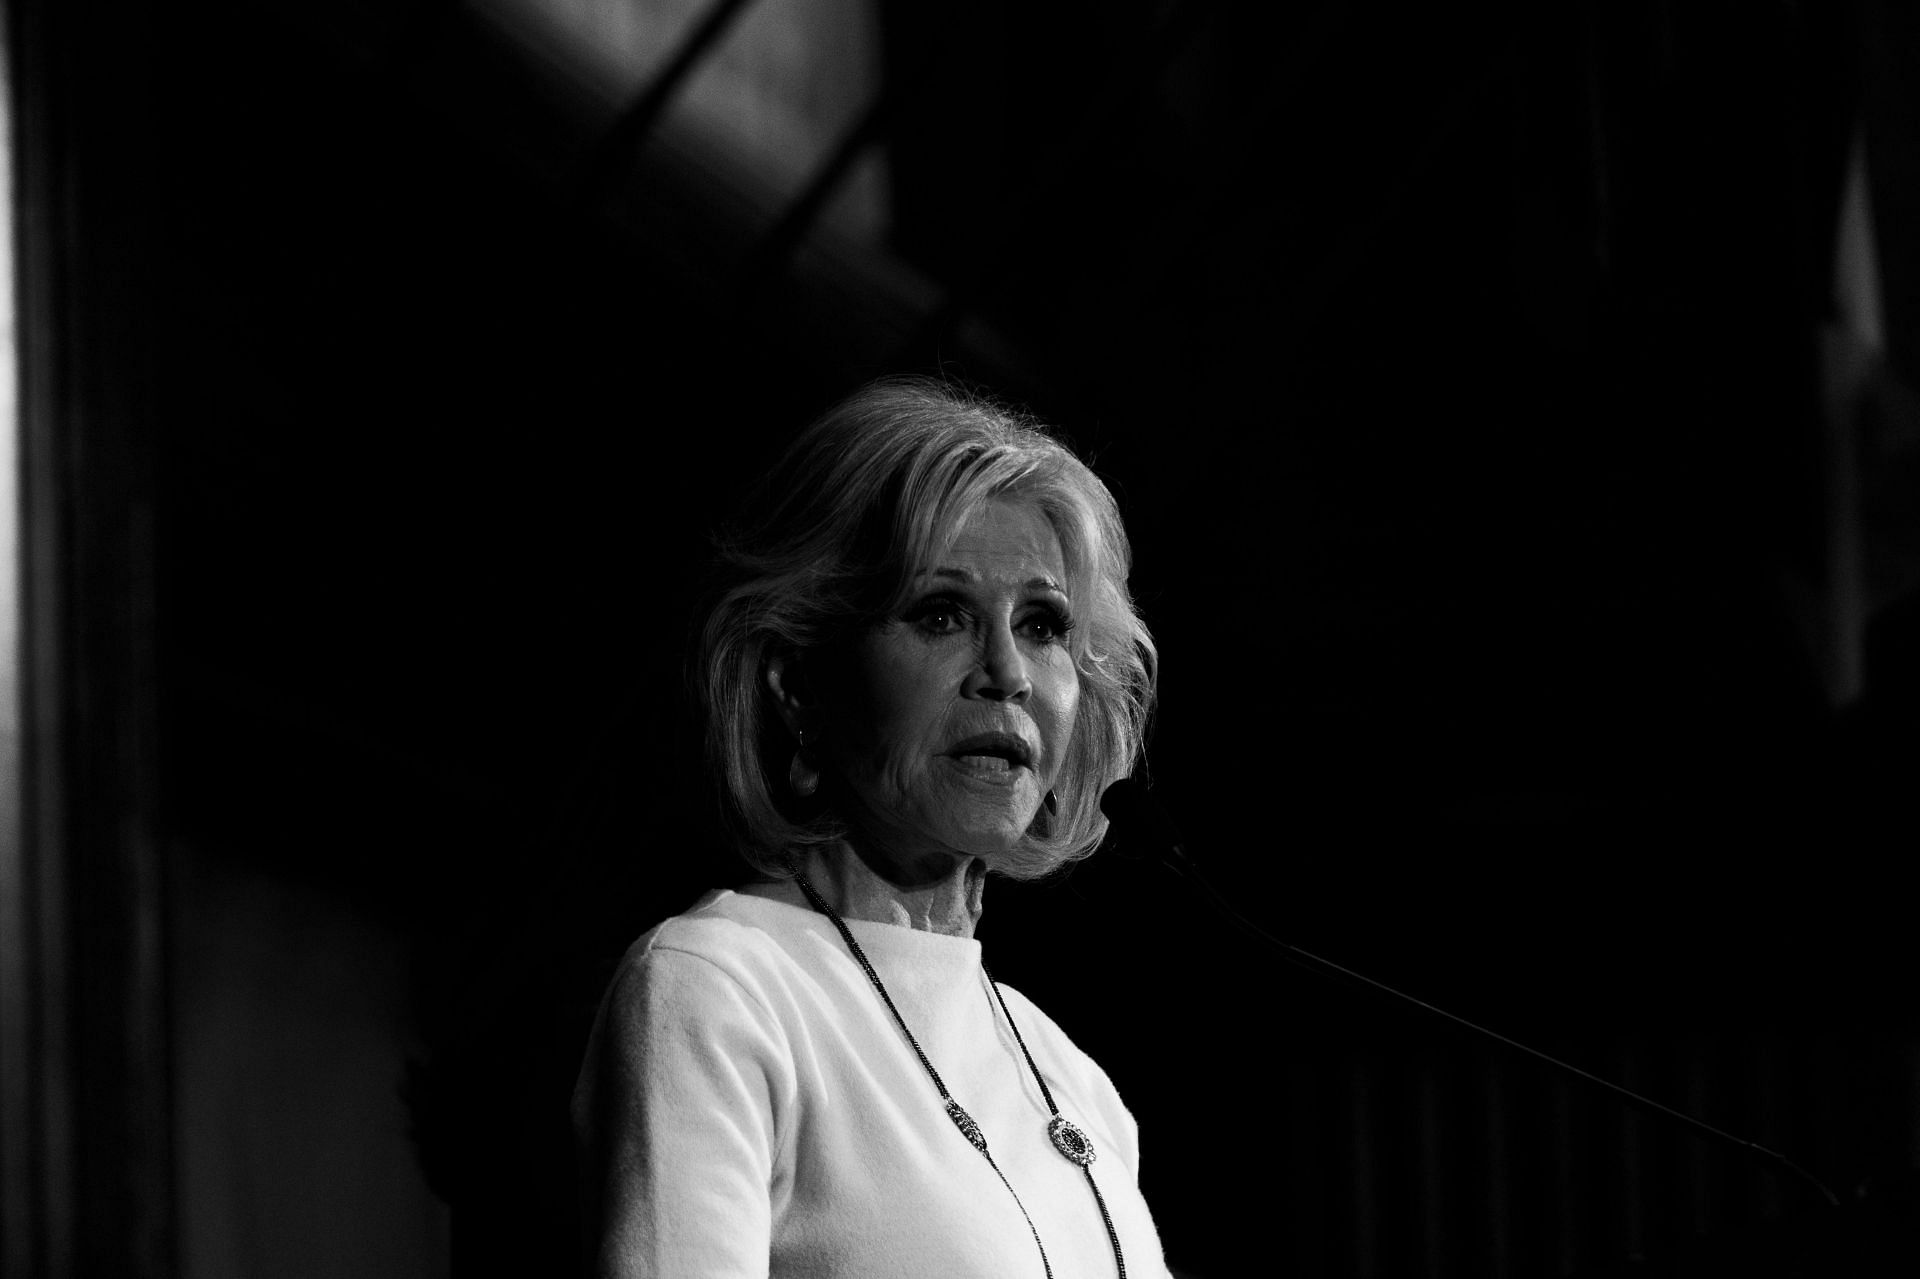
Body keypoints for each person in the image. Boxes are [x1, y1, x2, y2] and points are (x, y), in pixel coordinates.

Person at [571, 376, 1168, 1277]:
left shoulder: (1074, 1082)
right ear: (800, 682)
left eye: (1042, 624)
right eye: (941, 613)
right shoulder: (716, 990)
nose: (1005, 671)